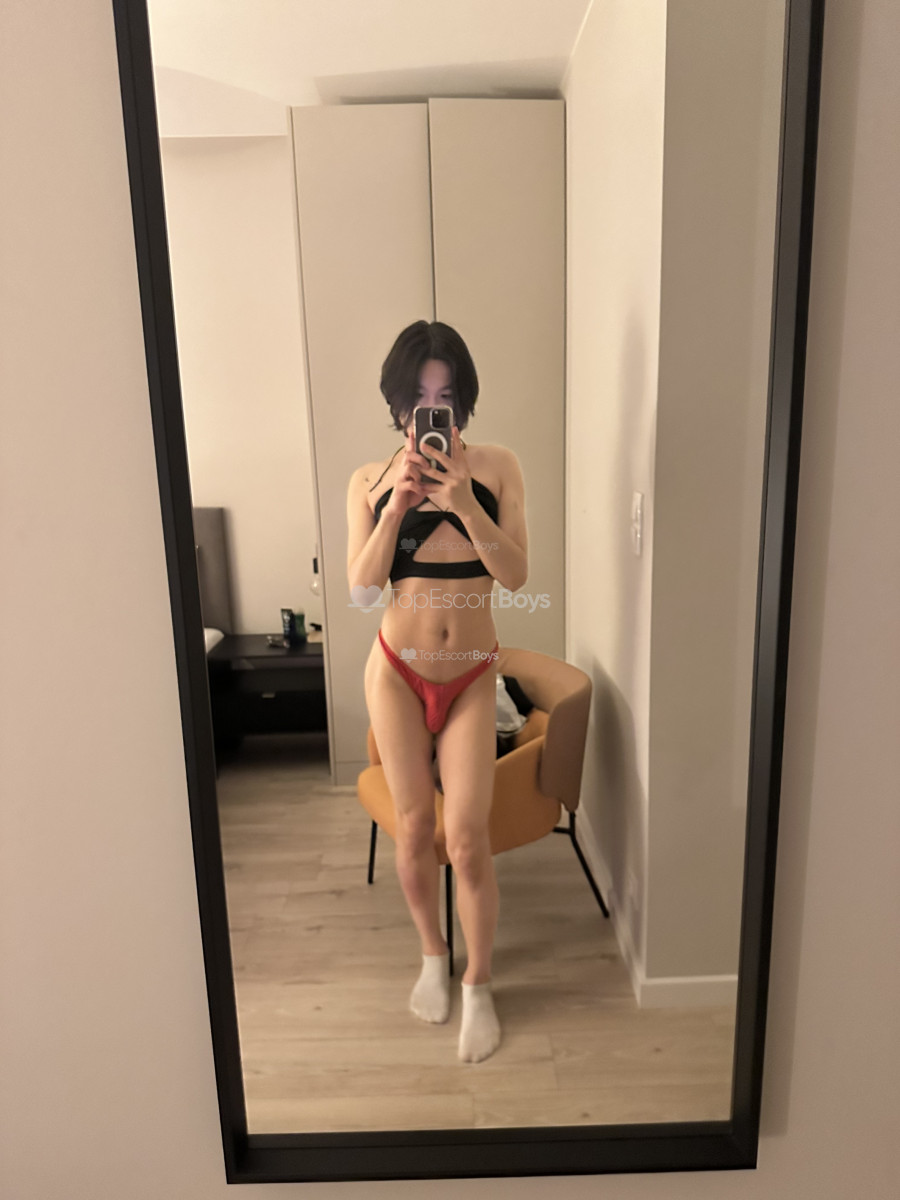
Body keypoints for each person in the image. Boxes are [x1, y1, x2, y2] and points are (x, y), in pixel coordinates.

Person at [346, 320, 528, 1063]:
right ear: (398, 404)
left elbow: (514, 575)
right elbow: (362, 593)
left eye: (445, 397)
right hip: (397, 671)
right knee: (416, 827)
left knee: (469, 838)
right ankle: (432, 956)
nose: (431, 411)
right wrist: (394, 507)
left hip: (472, 675)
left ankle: (478, 983)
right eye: (418, 398)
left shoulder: (498, 467)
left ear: (463, 402)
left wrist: (465, 504)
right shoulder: (368, 480)